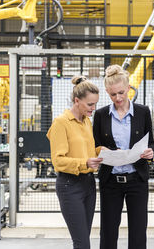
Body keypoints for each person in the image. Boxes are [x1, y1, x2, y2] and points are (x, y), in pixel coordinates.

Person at [93, 64, 154, 249]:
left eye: (121, 92)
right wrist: (103, 150)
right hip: (110, 180)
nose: (118, 98)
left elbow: (150, 142)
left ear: (128, 88)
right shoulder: (101, 115)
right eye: (113, 95)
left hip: (137, 179)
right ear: (107, 92)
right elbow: (95, 145)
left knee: (138, 230)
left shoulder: (143, 112)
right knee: (108, 230)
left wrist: (150, 153)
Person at [47, 75, 103, 249]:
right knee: (82, 243)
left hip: (88, 184)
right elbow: (58, 161)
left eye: (95, 104)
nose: (93, 109)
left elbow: (90, 151)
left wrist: (108, 153)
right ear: (77, 100)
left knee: (83, 238)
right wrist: (85, 163)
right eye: (90, 104)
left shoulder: (86, 122)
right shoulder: (61, 123)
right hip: (69, 186)